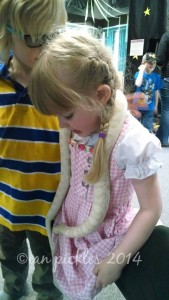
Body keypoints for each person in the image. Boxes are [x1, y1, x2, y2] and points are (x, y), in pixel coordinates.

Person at [28, 31, 169, 300]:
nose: (60, 125)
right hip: (73, 223)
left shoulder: (131, 142)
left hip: (107, 232)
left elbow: (151, 209)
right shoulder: (79, 124)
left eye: (66, 114)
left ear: (101, 95)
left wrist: (117, 260)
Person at [0, 1, 67, 300]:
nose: (45, 47)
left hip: (50, 206)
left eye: (52, 36)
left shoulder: (62, 84)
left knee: (48, 270)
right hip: (5, 203)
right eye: (34, 38)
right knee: (10, 264)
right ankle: (13, 288)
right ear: (7, 34)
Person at [134, 52, 162, 132]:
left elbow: (157, 92)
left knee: (147, 129)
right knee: (135, 129)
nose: (152, 64)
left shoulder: (157, 77)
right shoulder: (139, 74)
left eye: (154, 62)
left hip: (149, 107)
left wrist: (156, 106)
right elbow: (138, 83)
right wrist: (142, 70)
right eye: (150, 62)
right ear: (143, 63)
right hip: (138, 106)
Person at [156, 32, 169, 146]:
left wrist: (161, 67)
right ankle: (160, 135)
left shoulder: (167, 36)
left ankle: (164, 139)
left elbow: (160, 59)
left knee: (166, 110)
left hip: (168, 76)